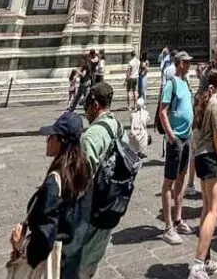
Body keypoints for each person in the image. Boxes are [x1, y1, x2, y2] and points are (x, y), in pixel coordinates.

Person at [9, 111, 92, 279]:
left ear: (61, 141)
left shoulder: (55, 182)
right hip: (73, 259)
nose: (48, 140)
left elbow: (44, 237)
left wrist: (20, 245)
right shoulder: (84, 169)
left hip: (54, 265)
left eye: (51, 136)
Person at [76, 82, 128, 279]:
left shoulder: (91, 136)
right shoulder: (117, 125)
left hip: (92, 210)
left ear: (95, 105)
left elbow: (81, 180)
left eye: (86, 106)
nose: (85, 111)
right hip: (111, 206)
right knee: (92, 258)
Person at [188, 68, 217, 279]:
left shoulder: (200, 102)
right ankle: (197, 265)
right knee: (215, 209)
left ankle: (206, 259)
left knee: (206, 208)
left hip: (200, 157)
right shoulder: (215, 104)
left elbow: (194, 133)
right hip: (211, 158)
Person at [159, 51, 194, 245]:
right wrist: (171, 136)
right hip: (176, 139)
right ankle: (168, 226)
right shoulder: (171, 83)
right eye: (187, 62)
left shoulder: (186, 82)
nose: (189, 65)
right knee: (169, 181)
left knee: (181, 177)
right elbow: (162, 112)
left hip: (186, 137)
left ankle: (179, 218)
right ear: (180, 63)